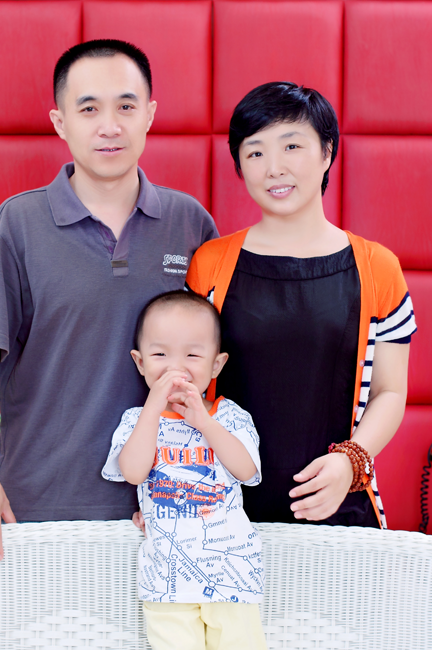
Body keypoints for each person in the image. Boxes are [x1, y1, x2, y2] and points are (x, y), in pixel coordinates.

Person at [0, 39, 217, 566]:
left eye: (126, 106)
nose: (109, 126)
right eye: (89, 109)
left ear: (149, 115)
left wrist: (197, 482)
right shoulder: (17, 225)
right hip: (36, 505)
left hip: (164, 510)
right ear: (60, 122)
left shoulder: (190, 224)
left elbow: (214, 362)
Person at [186, 82, 417, 529]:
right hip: (220, 514)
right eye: (255, 152)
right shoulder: (210, 264)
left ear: (327, 152)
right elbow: (184, 381)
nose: (274, 168)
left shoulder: (377, 267)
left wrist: (351, 461)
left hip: (339, 508)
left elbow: (390, 392)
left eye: (291, 146)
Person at [102, 290, 266, 650]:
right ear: (140, 362)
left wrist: (204, 423)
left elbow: (246, 470)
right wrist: (152, 409)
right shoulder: (136, 420)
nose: (175, 368)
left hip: (232, 575)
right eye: (160, 355)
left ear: (216, 365)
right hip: (167, 580)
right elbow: (133, 472)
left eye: (192, 355)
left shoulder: (229, 416)